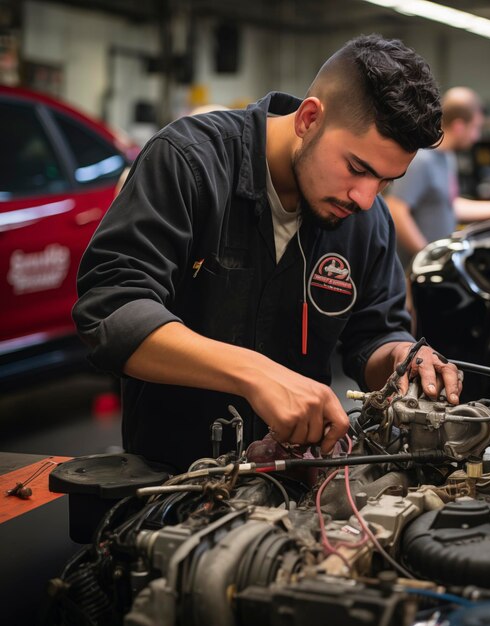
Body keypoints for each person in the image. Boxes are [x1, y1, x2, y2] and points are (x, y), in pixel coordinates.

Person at [72, 34, 462, 473]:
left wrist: (400, 360)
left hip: (300, 485)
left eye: (387, 180)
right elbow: (112, 309)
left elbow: (374, 332)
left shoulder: (368, 222)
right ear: (309, 119)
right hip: (171, 481)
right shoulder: (189, 161)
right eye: (357, 168)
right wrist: (254, 372)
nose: (367, 198)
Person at [386, 86, 490, 269]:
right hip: (415, 272)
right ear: (459, 126)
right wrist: (426, 255)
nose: (477, 136)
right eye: (475, 128)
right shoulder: (422, 160)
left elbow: (450, 205)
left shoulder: (447, 157)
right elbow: (396, 209)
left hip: (437, 268)